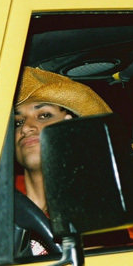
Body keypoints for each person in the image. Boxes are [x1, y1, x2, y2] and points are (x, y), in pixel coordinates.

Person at [14, 66, 114, 254]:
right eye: (18, 122)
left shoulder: (97, 209)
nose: (26, 128)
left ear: (70, 125)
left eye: (43, 116)